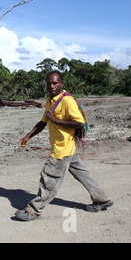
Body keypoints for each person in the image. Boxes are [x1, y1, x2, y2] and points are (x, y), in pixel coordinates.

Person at [15, 70, 113, 221]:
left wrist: (56, 120)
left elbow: (79, 122)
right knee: (83, 174)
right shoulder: (51, 100)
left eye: (55, 83)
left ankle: (33, 210)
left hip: (63, 148)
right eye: (49, 83)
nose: (52, 86)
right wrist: (28, 136)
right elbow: (43, 122)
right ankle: (102, 199)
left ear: (62, 84)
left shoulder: (67, 101)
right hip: (68, 147)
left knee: (49, 178)